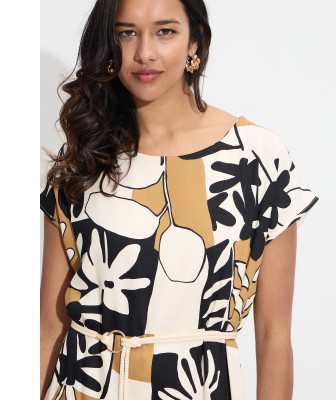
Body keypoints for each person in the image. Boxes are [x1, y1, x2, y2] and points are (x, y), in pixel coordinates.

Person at [40, 0, 319, 399]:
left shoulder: (255, 157)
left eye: (165, 32)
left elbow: (274, 335)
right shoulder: (86, 159)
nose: (145, 52)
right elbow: (49, 327)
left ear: (195, 42)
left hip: (195, 386)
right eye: (127, 33)